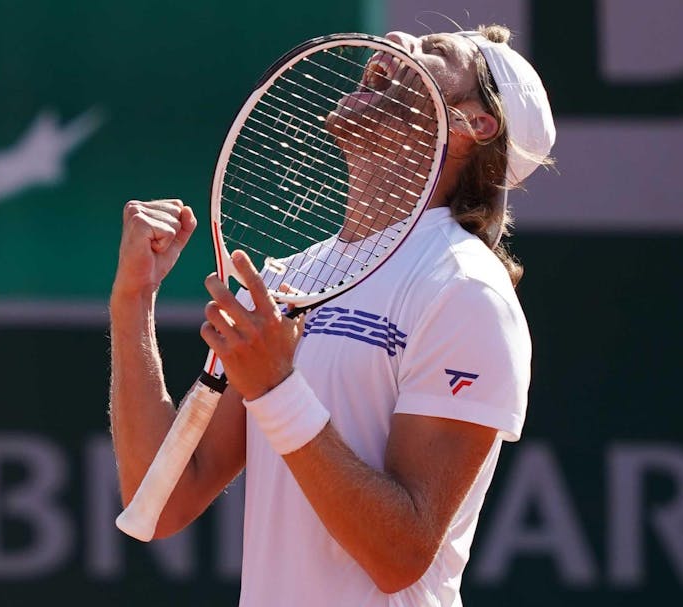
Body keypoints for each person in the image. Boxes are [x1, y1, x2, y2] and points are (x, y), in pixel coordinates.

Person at [109, 24, 554, 606]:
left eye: (434, 51)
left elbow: (401, 556)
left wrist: (274, 387)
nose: (397, 39)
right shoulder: (286, 279)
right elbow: (162, 499)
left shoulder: (467, 291)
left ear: (475, 124)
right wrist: (132, 301)